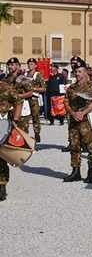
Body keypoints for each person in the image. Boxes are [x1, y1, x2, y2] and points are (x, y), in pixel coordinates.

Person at [63, 59, 92, 183]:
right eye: (75, 71)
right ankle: (75, 171)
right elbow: (66, 103)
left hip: (86, 121)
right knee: (74, 147)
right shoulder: (71, 88)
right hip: (73, 121)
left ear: (85, 72)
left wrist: (83, 113)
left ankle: (91, 171)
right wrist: (73, 113)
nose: (77, 74)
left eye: (79, 71)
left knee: (90, 146)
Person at [0, 61, 24, 202]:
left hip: (2, 123)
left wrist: (15, 120)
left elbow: (18, 102)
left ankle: (2, 185)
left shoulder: (5, 87)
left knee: (1, 157)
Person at [3, 58, 33, 134]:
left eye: (12, 65)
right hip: (10, 109)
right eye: (8, 65)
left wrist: (18, 96)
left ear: (17, 66)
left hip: (22, 110)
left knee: (22, 132)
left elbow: (30, 92)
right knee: (11, 132)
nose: (9, 67)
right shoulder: (5, 79)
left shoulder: (23, 78)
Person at [25, 58, 46, 143]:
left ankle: (37, 133)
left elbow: (44, 88)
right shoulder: (25, 74)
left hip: (34, 98)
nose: (30, 66)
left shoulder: (38, 75)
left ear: (35, 65)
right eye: (29, 64)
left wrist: (34, 89)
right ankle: (25, 133)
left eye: (32, 64)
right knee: (25, 117)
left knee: (35, 117)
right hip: (26, 98)